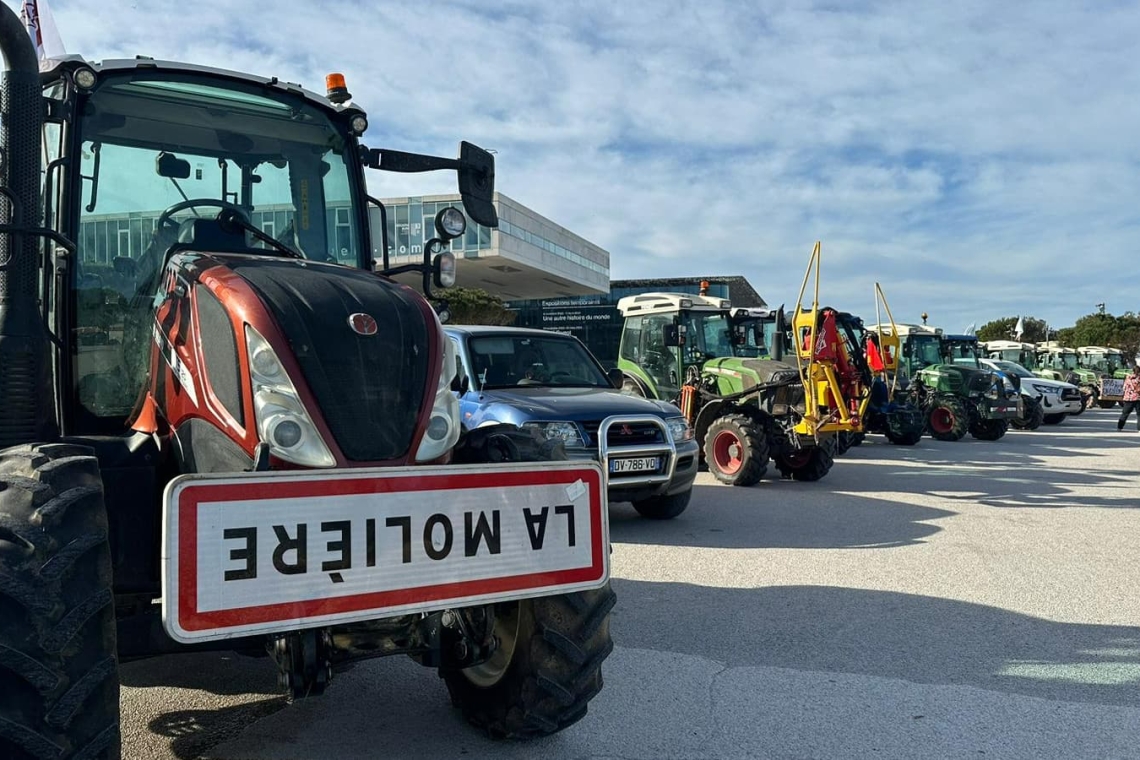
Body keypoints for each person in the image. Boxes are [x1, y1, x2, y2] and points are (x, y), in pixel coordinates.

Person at [1118, 365, 1140, 431]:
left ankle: (1119, 427)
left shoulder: (1128, 378)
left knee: (1125, 414)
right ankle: (1139, 429)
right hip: (1138, 398)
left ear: (1133, 371)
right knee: (1139, 415)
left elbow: (1124, 388)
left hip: (1128, 399)